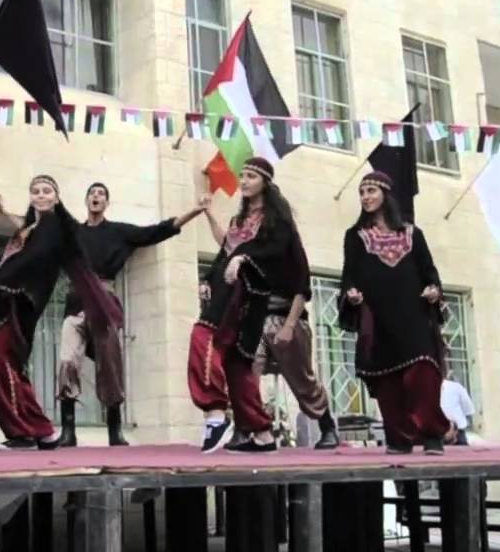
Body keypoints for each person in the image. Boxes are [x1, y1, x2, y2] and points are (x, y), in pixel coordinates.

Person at [189, 157, 335, 454]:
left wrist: (292, 325)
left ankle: (327, 424)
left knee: (301, 377)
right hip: (251, 315)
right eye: (241, 175)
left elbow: (302, 279)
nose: (243, 181)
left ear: (265, 182)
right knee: (245, 368)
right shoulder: (239, 223)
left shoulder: (279, 226)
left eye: (251, 176)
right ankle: (251, 429)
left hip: (283, 314)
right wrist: (209, 217)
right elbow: (228, 250)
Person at [0, 175, 122, 450]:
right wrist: (1, 211)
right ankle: (40, 430)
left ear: (56, 196)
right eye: (35, 191)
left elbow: (34, 259)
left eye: (46, 191)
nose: (41, 195)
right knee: (6, 362)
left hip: (19, 302)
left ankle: (24, 433)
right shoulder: (35, 228)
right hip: (10, 301)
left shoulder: (54, 227)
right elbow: (27, 240)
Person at [55, 183, 205, 447]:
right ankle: (68, 431)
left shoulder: (118, 232)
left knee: (110, 365)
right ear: (86, 201)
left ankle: (115, 430)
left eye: (101, 193)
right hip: (75, 305)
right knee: (67, 360)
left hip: (104, 304)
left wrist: (195, 210)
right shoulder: (73, 233)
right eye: (91, 193)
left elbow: (155, 232)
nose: (96, 196)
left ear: (106, 202)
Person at [339, 171, 448, 455]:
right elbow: (348, 274)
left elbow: (429, 272)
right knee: (387, 382)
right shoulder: (355, 236)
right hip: (378, 317)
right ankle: (399, 439)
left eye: (371, 191)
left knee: (423, 374)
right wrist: (350, 294)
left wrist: (434, 289)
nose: (365, 198)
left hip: (413, 314)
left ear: (385, 194)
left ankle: (432, 435)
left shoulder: (413, 233)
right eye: (362, 193)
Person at [440, 376, 476, 446]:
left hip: (432, 434)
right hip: (457, 430)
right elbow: (468, 409)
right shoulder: (456, 387)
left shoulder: (422, 387)